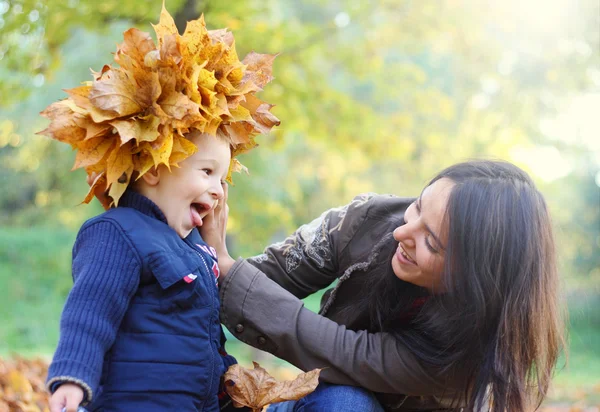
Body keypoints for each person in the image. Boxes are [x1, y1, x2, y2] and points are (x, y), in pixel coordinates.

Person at [40, 6, 279, 412]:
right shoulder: (118, 233)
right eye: (206, 172)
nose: (218, 191)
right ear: (155, 166)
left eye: (222, 179)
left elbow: (206, 346)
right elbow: (90, 311)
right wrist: (72, 377)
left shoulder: (194, 254)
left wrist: (232, 390)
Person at [202, 160, 565, 412]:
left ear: (474, 279)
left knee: (348, 403)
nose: (401, 233)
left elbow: (345, 353)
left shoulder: (473, 345)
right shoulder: (366, 220)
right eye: (418, 207)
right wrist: (209, 262)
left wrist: (229, 270)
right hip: (317, 403)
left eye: (432, 243)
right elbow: (268, 275)